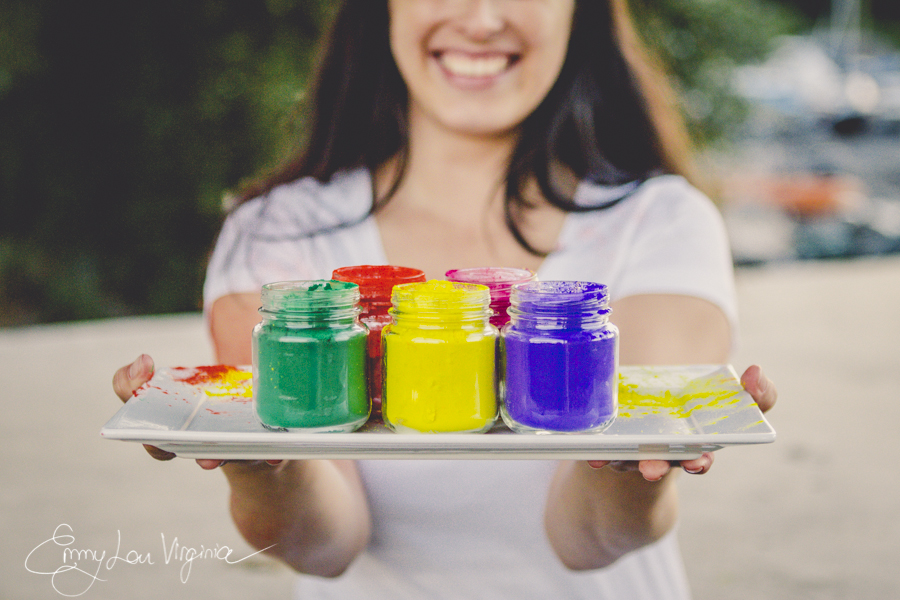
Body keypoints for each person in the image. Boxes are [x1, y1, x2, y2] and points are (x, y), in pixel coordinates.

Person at [113, 0, 778, 597]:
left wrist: (630, 460)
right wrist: (258, 463)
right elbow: (324, 547)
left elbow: (590, 541)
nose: (483, 17)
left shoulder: (663, 221)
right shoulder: (273, 234)